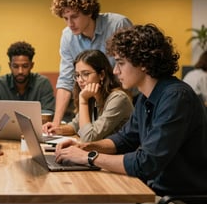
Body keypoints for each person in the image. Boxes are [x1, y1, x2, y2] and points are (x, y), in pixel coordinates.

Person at [55, 24, 207, 199]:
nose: (115, 70)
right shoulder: (145, 97)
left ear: (143, 63)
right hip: (151, 190)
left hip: (176, 197)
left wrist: (88, 157)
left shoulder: (176, 98)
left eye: (120, 63)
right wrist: (84, 147)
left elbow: (146, 163)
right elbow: (124, 140)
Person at [50, 0, 132, 126]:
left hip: (125, 99)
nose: (70, 23)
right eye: (65, 18)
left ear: (89, 12)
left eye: (74, 16)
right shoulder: (68, 37)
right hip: (95, 102)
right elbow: (66, 80)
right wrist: (56, 123)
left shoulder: (118, 25)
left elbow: (132, 68)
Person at [43, 50, 133, 141]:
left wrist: (83, 101)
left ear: (101, 75)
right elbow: (75, 125)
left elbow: (89, 137)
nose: (80, 80)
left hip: (121, 154)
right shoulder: (91, 97)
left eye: (86, 74)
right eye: (77, 75)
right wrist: (57, 130)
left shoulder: (118, 99)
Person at [0, 41, 55, 117]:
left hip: (37, 129)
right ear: (10, 65)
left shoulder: (43, 84)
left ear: (31, 65)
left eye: (25, 66)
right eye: (15, 66)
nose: (20, 71)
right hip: (6, 129)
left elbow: (48, 113)